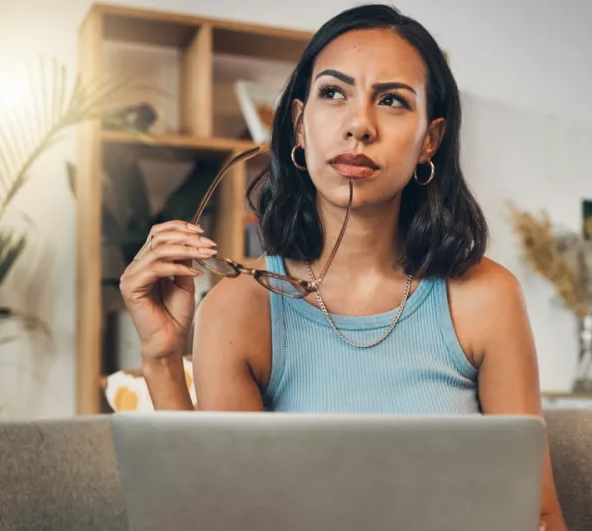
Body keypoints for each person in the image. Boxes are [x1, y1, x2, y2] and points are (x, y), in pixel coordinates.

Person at [119, 4, 568, 530]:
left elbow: (539, 516)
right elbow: (220, 519)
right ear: (299, 124)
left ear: (431, 139)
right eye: (334, 93)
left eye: (393, 100)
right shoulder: (240, 310)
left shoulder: (486, 297)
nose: (359, 124)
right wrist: (162, 361)